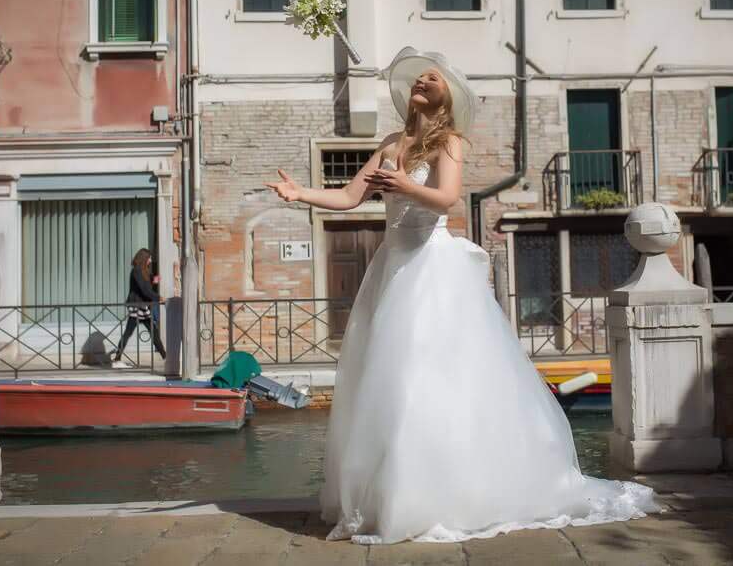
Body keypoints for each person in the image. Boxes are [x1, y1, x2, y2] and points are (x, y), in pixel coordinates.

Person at [266, 47, 658, 544]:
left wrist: (405, 183)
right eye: (419, 77)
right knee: (385, 382)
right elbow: (347, 197)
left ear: (446, 95)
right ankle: (389, 497)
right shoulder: (390, 143)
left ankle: (441, 495)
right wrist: (302, 194)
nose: (423, 81)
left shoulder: (449, 142)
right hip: (392, 267)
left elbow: (448, 200)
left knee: (426, 377)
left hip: (432, 266)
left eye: (433, 78)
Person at [112, 247, 166, 364]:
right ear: (144, 258)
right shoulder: (136, 271)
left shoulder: (144, 271)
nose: (150, 261)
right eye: (149, 258)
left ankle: (165, 358)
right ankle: (117, 359)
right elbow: (144, 290)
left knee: (153, 332)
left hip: (143, 306)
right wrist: (158, 298)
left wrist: (155, 279)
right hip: (137, 307)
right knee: (129, 332)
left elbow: (148, 282)